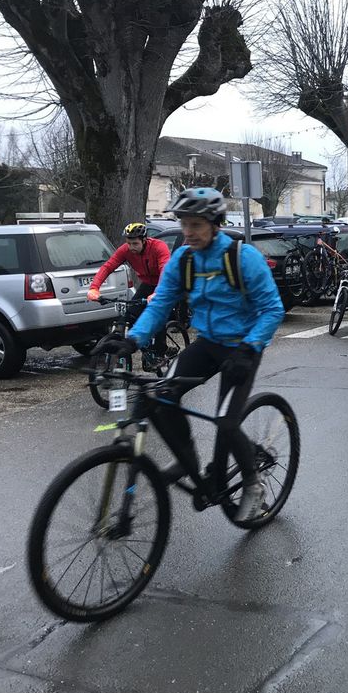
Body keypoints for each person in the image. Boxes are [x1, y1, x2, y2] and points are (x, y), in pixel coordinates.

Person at [91, 187, 285, 521]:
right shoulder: (184, 259)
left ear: (214, 223)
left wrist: (250, 348)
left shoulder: (242, 257)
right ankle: (187, 460)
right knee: (163, 394)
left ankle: (253, 485)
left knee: (227, 421)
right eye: (184, 223)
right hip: (208, 343)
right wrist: (132, 340)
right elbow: (162, 303)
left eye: (196, 224)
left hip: (242, 346)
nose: (188, 232)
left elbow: (272, 309)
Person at [87, 222, 172, 363]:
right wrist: (94, 288)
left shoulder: (158, 247)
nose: (131, 247)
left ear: (144, 240)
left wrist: (157, 292)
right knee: (130, 314)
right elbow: (108, 267)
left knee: (158, 315)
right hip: (147, 284)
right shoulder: (125, 250)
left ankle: (160, 352)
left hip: (164, 284)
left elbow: (165, 269)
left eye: (135, 243)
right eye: (129, 243)